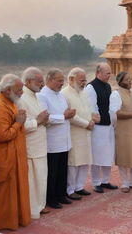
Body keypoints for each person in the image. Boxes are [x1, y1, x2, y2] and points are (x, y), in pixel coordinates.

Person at [0, 74, 31, 230]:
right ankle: (0, 223)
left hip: (14, 155)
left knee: (16, 190)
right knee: (4, 193)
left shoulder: (10, 101)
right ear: (7, 90)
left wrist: (18, 122)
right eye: (19, 90)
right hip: (4, 157)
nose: (21, 92)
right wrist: (18, 123)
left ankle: (16, 218)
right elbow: (1, 135)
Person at [37, 68, 76, 208]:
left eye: (62, 80)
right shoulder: (43, 95)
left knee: (62, 170)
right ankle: (51, 198)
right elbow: (45, 117)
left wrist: (68, 114)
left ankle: (61, 194)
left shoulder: (60, 95)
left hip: (64, 138)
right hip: (52, 140)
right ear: (50, 80)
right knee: (52, 172)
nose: (62, 83)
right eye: (59, 80)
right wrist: (64, 116)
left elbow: (64, 112)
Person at [62, 67, 100, 198]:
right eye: (81, 80)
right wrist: (87, 124)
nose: (84, 83)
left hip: (87, 132)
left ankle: (79, 186)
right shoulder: (64, 94)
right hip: (74, 133)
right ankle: (70, 189)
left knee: (84, 161)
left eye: (85, 80)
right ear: (71, 79)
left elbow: (88, 109)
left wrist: (93, 118)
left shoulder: (84, 92)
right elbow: (70, 115)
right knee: (73, 163)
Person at [18, 67, 49, 219]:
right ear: (28, 81)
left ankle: (40, 206)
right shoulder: (22, 98)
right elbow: (21, 126)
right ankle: (31, 210)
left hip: (41, 144)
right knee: (32, 181)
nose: (42, 84)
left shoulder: (36, 95)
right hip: (31, 146)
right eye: (39, 81)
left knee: (41, 178)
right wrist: (39, 121)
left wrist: (44, 119)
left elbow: (41, 117)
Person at [86, 63, 118, 193]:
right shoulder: (91, 87)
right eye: (107, 73)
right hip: (98, 127)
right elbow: (92, 107)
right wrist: (97, 119)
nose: (109, 75)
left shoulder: (108, 86)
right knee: (97, 155)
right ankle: (96, 182)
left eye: (110, 73)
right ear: (98, 73)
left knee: (108, 154)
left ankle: (105, 180)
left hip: (108, 125)